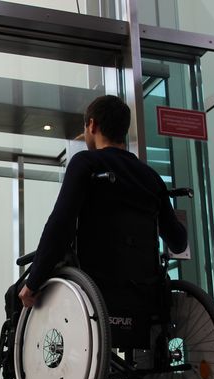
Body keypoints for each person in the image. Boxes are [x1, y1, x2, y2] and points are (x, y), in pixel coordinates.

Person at [18, 95, 187, 310]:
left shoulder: (86, 163)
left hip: (93, 288)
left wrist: (33, 281)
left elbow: (61, 225)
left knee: (15, 295)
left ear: (92, 125)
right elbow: (179, 242)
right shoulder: (152, 178)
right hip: (142, 292)